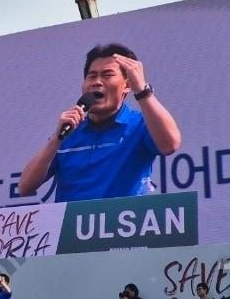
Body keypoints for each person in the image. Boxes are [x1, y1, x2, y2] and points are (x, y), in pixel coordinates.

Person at [19, 43, 181, 202]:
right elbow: (25, 187)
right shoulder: (69, 130)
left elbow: (170, 145)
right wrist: (57, 138)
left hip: (123, 218)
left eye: (107, 75)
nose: (97, 82)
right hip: (70, 220)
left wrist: (142, 90)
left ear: (127, 85)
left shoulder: (140, 124)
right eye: (92, 76)